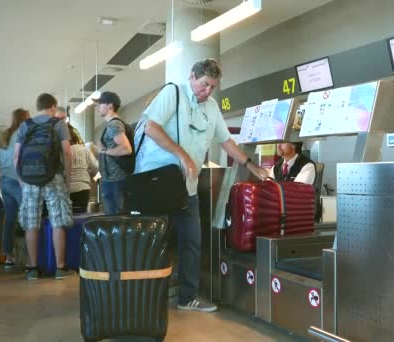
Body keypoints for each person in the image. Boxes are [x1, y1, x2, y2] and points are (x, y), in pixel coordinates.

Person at [135, 58, 270, 313]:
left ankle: (187, 297)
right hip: (159, 181)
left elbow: (226, 141)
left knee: (192, 240)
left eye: (213, 87)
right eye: (205, 84)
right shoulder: (172, 92)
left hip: (188, 185)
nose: (207, 91)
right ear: (192, 77)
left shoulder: (211, 107)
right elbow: (151, 128)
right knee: (154, 240)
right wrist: (182, 155)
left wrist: (250, 165)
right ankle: (148, 296)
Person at [14, 93, 74, 280]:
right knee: (58, 222)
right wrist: (67, 179)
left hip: (30, 180)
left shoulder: (25, 125)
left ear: (38, 106)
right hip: (54, 177)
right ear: (53, 107)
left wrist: (21, 180)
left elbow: (16, 156)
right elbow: (66, 151)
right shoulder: (59, 124)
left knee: (31, 223)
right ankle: (60, 268)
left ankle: (32, 268)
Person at [0, 108, 30, 268]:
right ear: (24, 119)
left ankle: (8, 256)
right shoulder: (23, 135)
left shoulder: (4, 135)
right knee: (28, 216)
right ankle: (30, 255)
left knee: (10, 219)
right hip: (18, 180)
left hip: (3, 180)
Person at [94, 91, 133, 214]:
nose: (97, 107)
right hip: (111, 179)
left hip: (116, 180)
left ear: (110, 106)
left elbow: (126, 148)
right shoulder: (110, 125)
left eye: (100, 104)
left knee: (117, 220)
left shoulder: (114, 124)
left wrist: (104, 150)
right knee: (114, 220)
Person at [68, 128, 98, 213]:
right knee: (80, 217)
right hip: (83, 188)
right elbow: (96, 168)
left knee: (67, 218)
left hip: (66, 189)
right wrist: (94, 180)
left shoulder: (61, 152)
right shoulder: (85, 150)